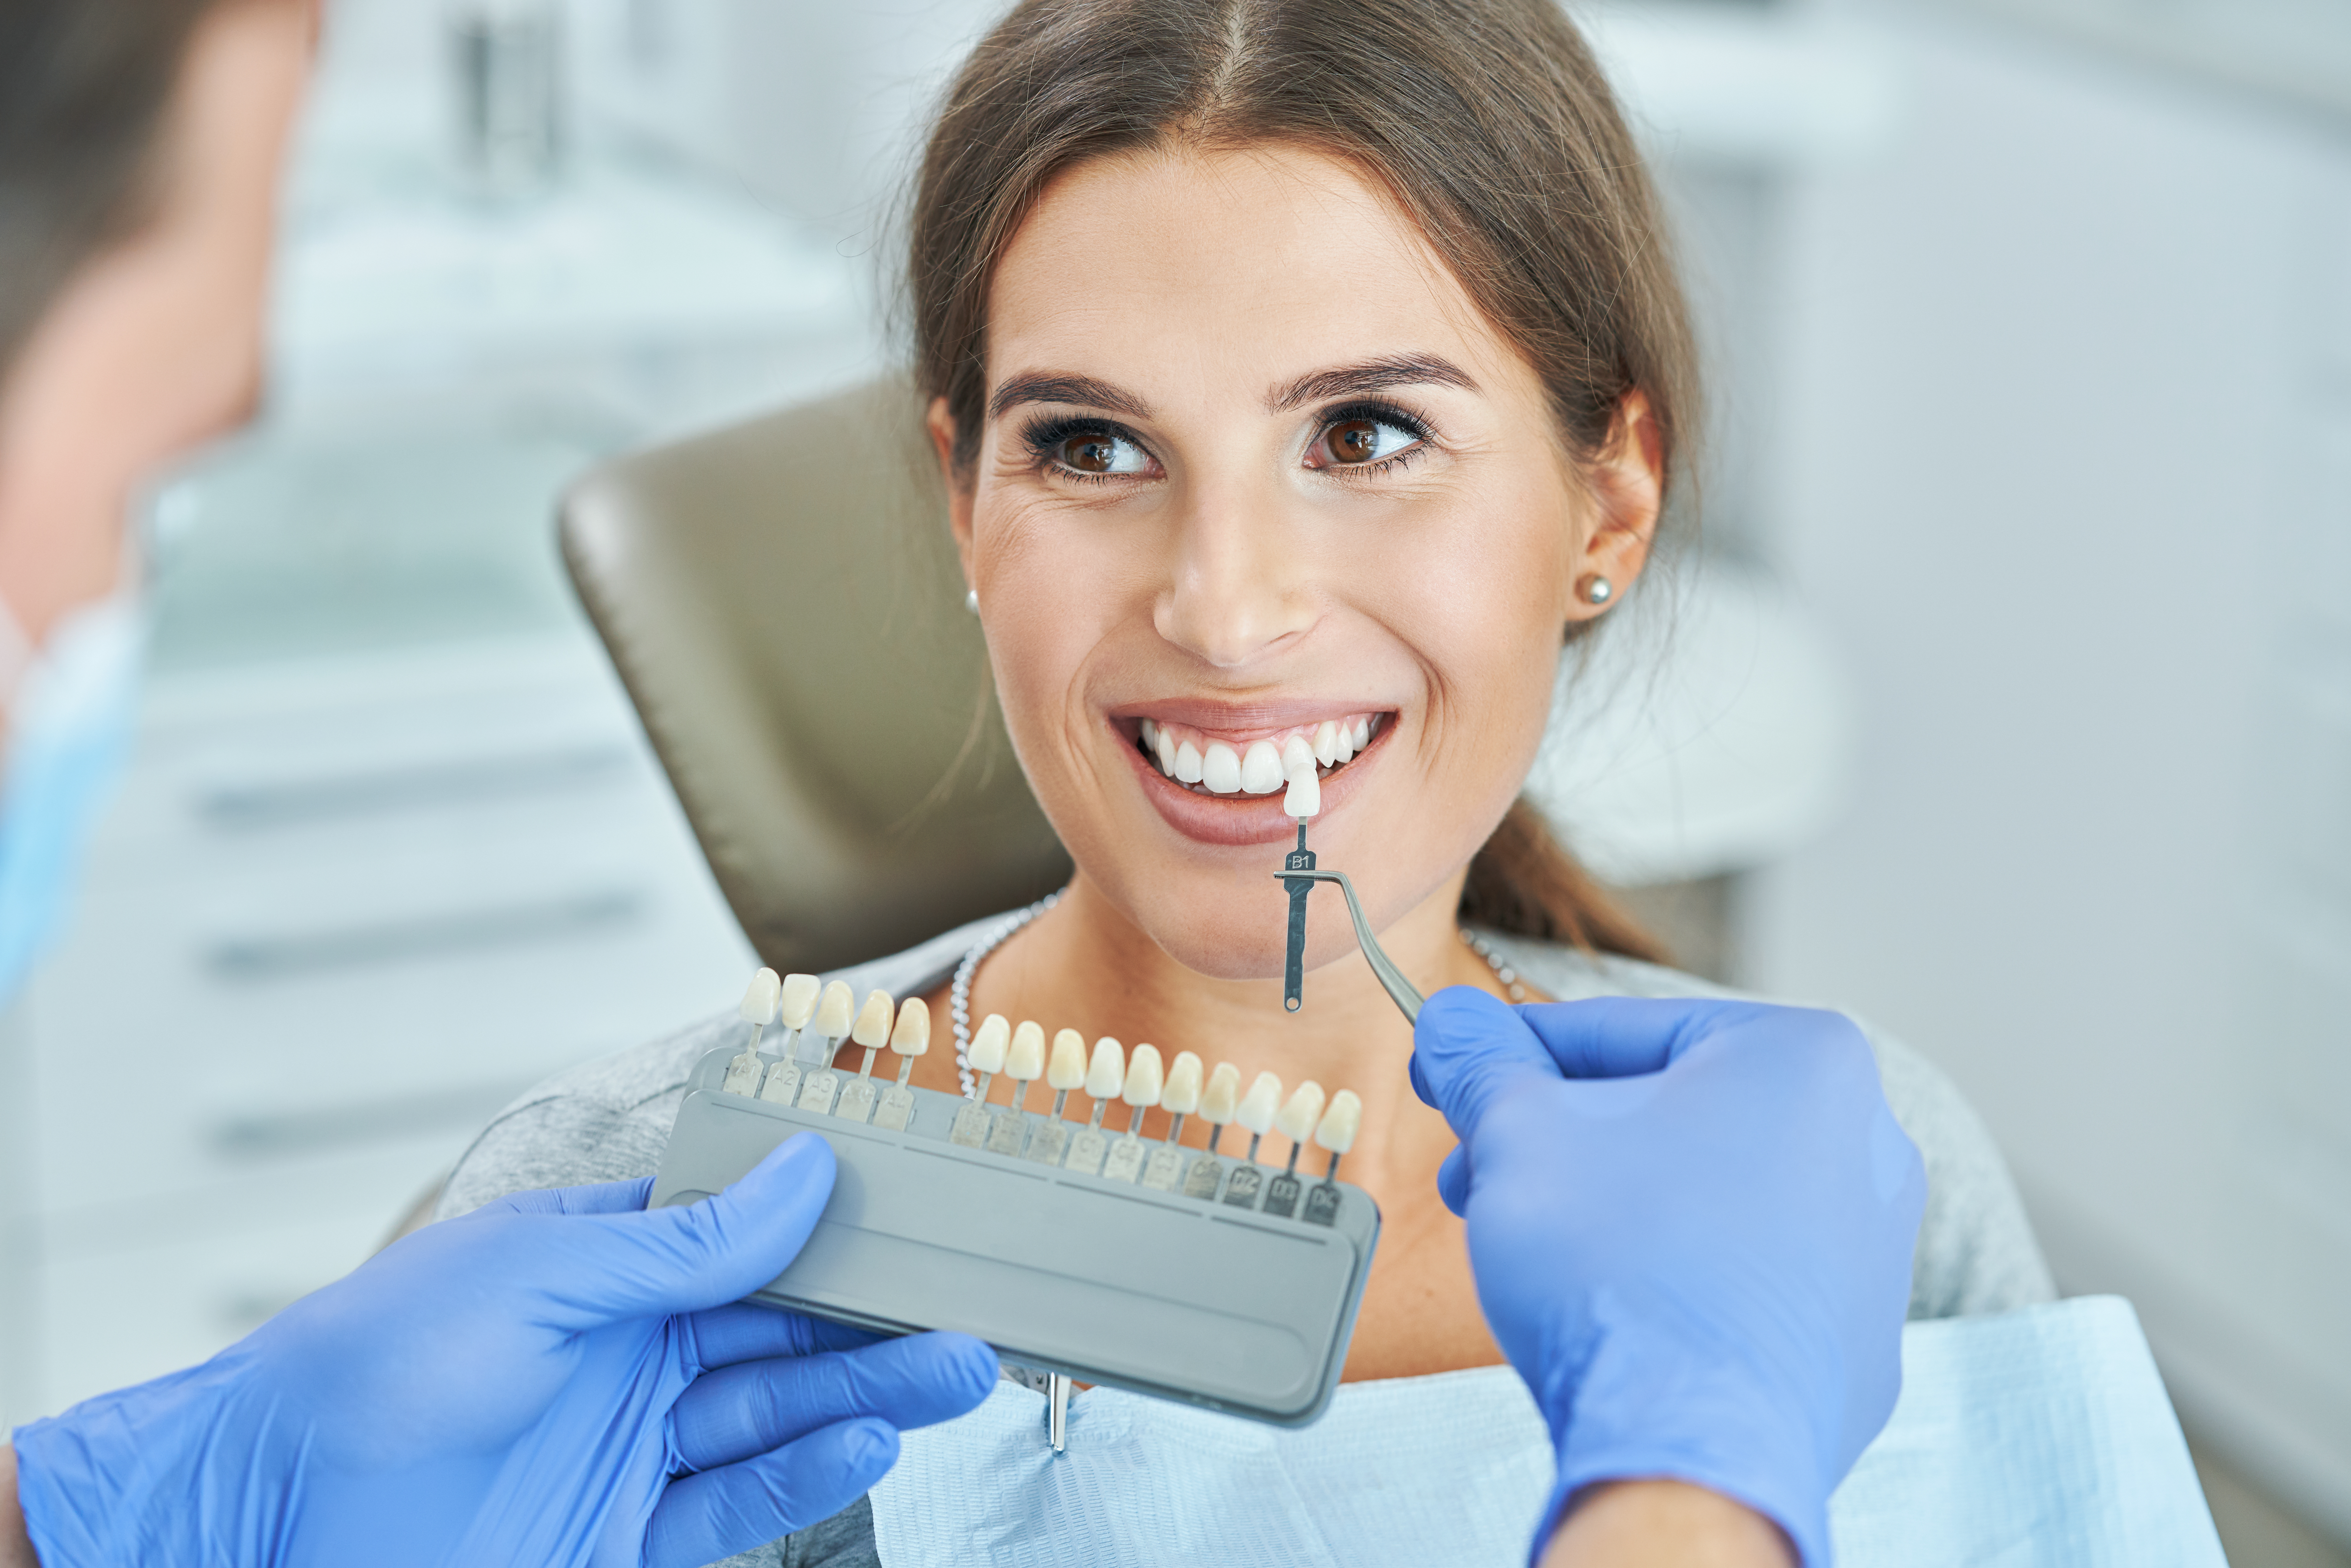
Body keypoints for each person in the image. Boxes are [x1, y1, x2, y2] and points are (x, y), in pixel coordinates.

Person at [0, 0, 1974, 1565]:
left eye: (1369, 432)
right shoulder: (598, 1262)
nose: (1227, 610)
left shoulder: (1870, 1196)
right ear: (962, 499)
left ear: (1608, 504)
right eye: (1092, 447)